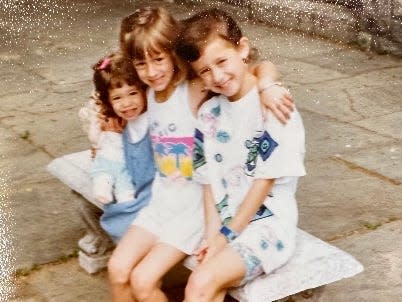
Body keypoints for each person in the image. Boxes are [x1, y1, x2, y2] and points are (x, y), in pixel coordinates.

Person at [107, 7, 296, 302]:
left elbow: (254, 66)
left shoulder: (194, 87)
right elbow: (113, 88)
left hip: (194, 212)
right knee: (118, 270)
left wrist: (269, 83)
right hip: (162, 204)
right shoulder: (146, 93)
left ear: (173, 53)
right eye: (142, 63)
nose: (152, 71)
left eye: (159, 59)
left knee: (144, 282)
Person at [175, 8, 306, 301]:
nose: (217, 76)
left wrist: (225, 237)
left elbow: (265, 182)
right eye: (205, 71)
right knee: (206, 281)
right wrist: (212, 235)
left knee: (199, 284)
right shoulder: (209, 113)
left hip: (266, 227)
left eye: (222, 61)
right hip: (224, 222)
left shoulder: (273, 106)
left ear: (242, 48)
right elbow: (209, 181)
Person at [81, 52, 155, 243]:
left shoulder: (152, 118)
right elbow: (105, 152)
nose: (127, 103)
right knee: (122, 219)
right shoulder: (117, 124)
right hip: (134, 186)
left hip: (153, 189)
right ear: (108, 101)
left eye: (133, 93)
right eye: (117, 98)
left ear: (144, 90)